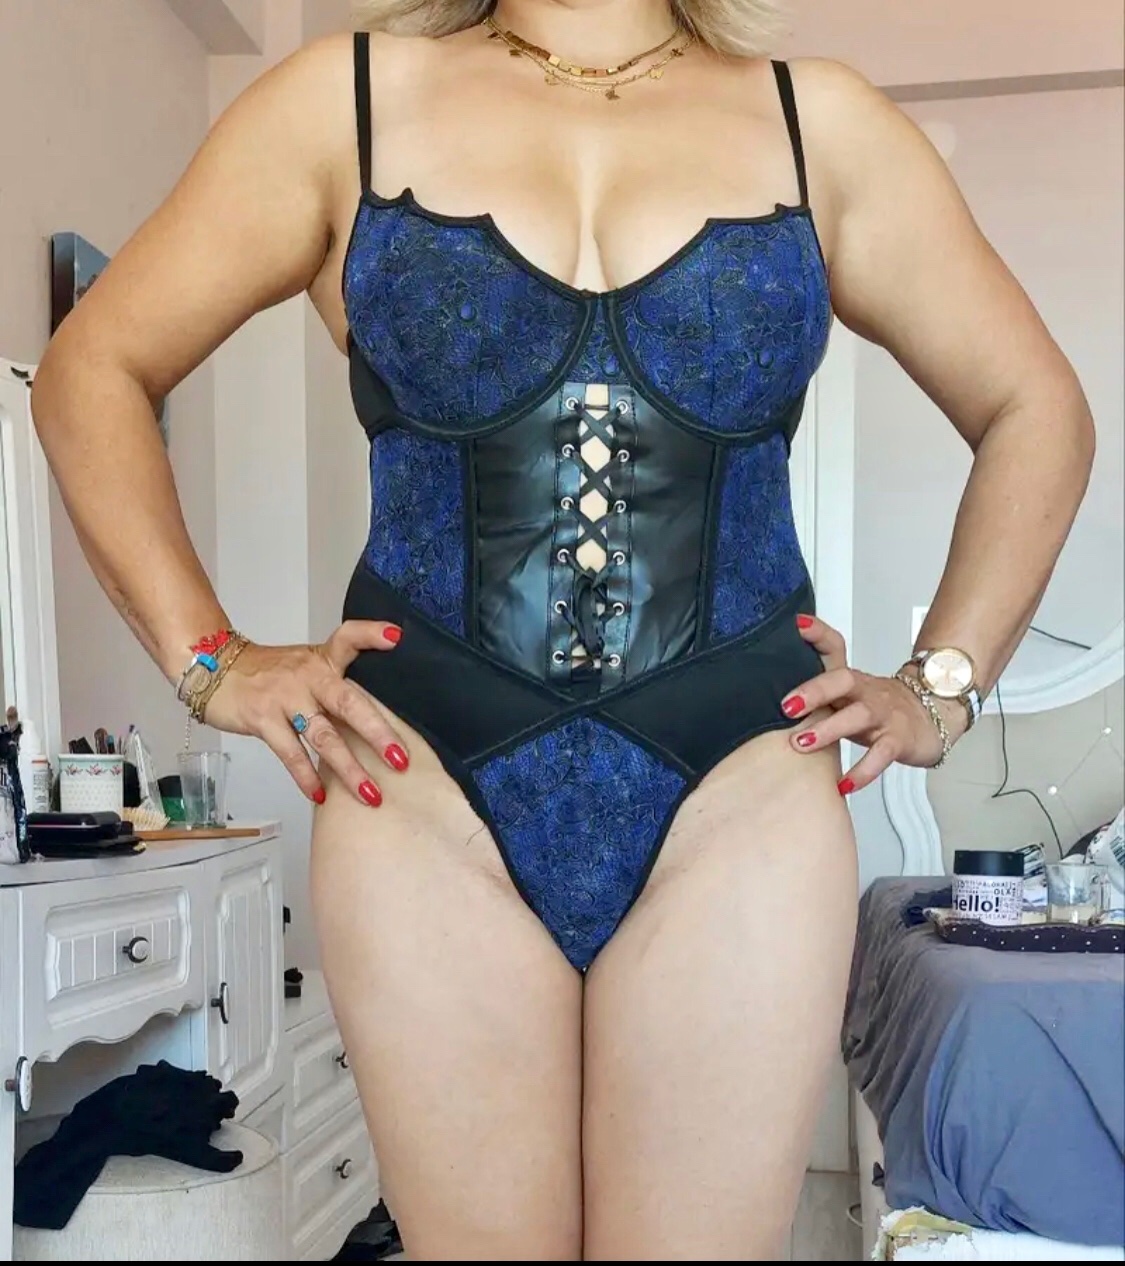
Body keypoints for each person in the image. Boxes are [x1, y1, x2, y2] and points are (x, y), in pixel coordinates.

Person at [31, 0, 1093, 1258]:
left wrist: (942, 684)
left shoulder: (823, 126)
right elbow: (92, 369)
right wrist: (212, 662)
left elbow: (1036, 407)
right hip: (425, 800)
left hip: (739, 798)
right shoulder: (344, 104)